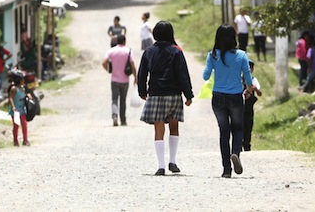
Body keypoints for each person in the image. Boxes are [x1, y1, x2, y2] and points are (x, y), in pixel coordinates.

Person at [137, 21, 193, 176]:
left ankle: (161, 166)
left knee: (158, 128)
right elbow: (183, 74)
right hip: (174, 94)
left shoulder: (149, 51)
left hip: (156, 94)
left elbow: (142, 74)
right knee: (174, 127)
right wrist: (188, 95)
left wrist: (142, 91)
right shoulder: (176, 51)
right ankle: (172, 161)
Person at [203, 24, 254, 178]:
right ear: (234, 38)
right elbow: (249, 79)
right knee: (238, 129)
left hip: (218, 97)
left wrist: (214, 69)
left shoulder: (212, 55)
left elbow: (205, 76)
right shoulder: (241, 55)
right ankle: (236, 153)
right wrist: (249, 91)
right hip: (236, 97)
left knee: (224, 132)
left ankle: (226, 170)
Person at [102, 34, 137, 127]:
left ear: (117, 41)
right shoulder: (128, 51)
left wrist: (109, 70)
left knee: (114, 99)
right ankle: (123, 120)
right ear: (125, 41)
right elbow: (132, 65)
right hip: (125, 80)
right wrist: (135, 77)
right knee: (123, 100)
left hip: (114, 79)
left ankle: (114, 116)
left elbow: (103, 62)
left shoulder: (111, 51)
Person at [242, 60, 262, 152]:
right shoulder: (238, 79)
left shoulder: (254, 80)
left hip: (249, 107)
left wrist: (255, 89)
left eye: (250, 68)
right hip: (239, 107)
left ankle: (247, 144)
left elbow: (260, 93)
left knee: (249, 125)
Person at [8, 72, 32, 146]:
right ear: (19, 80)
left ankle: (25, 140)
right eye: (22, 79)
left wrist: (28, 95)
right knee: (16, 126)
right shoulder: (14, 89)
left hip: (22, 110)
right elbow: (11, 98)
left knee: (24, 124)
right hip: (15, 111)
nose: (23, 81)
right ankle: (15, 141)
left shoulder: (23, 88)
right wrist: (13, 107)